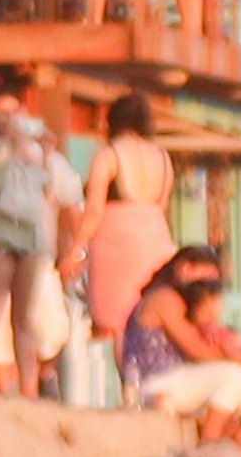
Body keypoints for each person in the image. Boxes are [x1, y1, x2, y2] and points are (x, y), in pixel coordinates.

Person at [0, 73, 65, 392]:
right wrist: (10, 145)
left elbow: (49, 192)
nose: (8, 121)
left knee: (25, 319)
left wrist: (45, 152)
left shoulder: (31, 150)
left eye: (14, 114)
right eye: (1, 114)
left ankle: (28, 389)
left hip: (30, 239)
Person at [76, 90, 180, 363]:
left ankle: (130, 385)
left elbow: (94, 209)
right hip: (156, 235)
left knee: (120, 317)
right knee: (150, 313)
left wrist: (75, 248)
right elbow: (163, 204)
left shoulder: (109, 155)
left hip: (116, 240)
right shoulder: (163, 157)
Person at [118, 254, 241, 432]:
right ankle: (209, 440)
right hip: (155, 383)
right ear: (186, 269)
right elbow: (197, 350)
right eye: (205, 281)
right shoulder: (164, 298)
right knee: (235, 374)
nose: (208, 289)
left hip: (177, 379)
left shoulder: (184, 302)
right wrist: (240, 358)